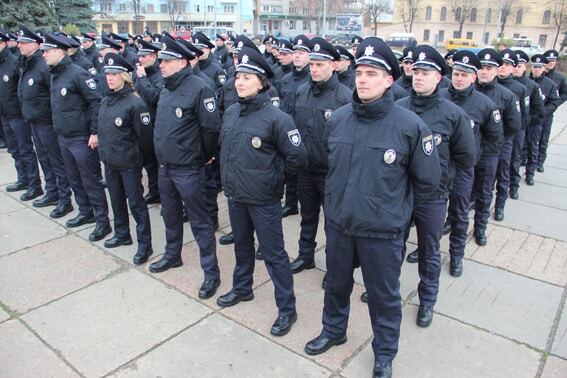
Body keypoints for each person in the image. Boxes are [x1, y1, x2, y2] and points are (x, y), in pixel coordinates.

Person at [304, 37, 441, 378]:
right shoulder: (338, 119)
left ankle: (383, 353)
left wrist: (396, 212)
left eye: (372, 73)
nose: (362, 79)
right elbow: (328, 165)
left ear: (389, 80)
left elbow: (427, 182)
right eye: (360, 72)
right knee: (335, 286)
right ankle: (333, 331)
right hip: (339, 225)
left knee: (383, 298)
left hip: (381, 232)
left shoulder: (410, 126)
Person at [216, 46, 307, 337]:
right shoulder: (231, 112)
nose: (239, 82)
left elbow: (297, 158)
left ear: (262, 82)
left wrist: (273, 179)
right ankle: (243, 289)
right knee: (242, 248)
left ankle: (287, 309)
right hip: (236, 196)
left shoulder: (278, 119)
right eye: (238, 76)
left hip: (264, 200)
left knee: (273, 255)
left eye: (247, 77)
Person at [397, 45, 476, 323]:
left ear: (439, 77)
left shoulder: (453, 115)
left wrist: (445, 179)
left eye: (425, 72)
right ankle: (388, 291)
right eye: (416, 71)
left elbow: (467, 156)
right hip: (400, 193)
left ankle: (427, 299)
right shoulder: (397, 108)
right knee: (394, 246)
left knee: (429, 251)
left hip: (432, 196)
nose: (418, 77)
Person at [149, 35, 221, 300]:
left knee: (201, 223)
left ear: (181, 62)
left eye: (166, 61)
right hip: (166, 167)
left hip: (189, 168)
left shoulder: (200, 87)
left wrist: (205, 156)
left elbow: (211, 129)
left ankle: (211, 273)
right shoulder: (167, 86)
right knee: (170, 215)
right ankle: (172, 255)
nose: (161, 66)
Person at [288, 37, 351, 288]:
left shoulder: (345, 97)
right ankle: (306, 256)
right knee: (308, 216)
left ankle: (333, 268)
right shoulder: (302, 91)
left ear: (333, 65)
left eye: (320, 64)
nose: (314, 68)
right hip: (306, 170)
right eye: (312, 64)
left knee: (334, 224)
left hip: (331, 173)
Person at [42, 32, 111, 241]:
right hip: (63, 136)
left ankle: (102, 222)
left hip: (81, 137)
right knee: (73, 177)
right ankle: (85, 211)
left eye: (47, 51)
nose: (43, 55)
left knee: (90, 179)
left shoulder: (77, 73)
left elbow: (95, 102)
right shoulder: (55, 73)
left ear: (59, 51)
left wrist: (94, 131)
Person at [440, 50, 503, 265]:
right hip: (438, 167)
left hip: (462, 168)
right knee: (430, 215)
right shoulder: (438, 98)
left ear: (473, 77)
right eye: (456, 73)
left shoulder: (485, 105)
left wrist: (474, 160)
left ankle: (457, 254)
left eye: (464, 75)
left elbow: (494, 139)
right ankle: (425, 250)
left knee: (459, 212)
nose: (459, 79)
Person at [97, 53, 154, 264]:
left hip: (129, 163)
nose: (109, 78)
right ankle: (122, 234)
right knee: (116, 200)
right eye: (107, 74)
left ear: (124, 76)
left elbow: (146, 138)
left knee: (137, 205)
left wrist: (138, 159)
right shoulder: (106, 100)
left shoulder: (135, 103)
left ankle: (144, 245)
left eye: (114, 74)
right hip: (111, 162)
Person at [17, 25, 73, 218]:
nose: (19, 46)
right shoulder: (27, 63)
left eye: (23, 43)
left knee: (56, 162)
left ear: (35, 45)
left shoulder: (43, 67)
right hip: (34, 121)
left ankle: (65, 199)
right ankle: (52, 192)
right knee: (44, 160)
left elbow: (54, 96)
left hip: (47, 123)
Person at [474, 48, 521, 243]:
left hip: (490, 152)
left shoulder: (506, 96)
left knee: (485, 192)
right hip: (466, 152)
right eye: (481, 68)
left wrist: (495, 145)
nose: (484, 71)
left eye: (488, 68)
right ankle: (452, 220)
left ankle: (480, 227)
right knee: (459, 193)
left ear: (496, 70)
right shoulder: (468, 91)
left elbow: (513, 126)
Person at [1, 30, 45, 202]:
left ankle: (34, 185)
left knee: (25, 150)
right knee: (14, 150)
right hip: (5, 114)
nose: (19, 46)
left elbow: (23, 91)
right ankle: (23, 179)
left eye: (23, 43)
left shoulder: (14, 63)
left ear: (3, 43)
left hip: (19, 115)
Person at [278, 35, 311, 218]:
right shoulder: (286, 79)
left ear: (308, 56)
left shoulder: (311, 80)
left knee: (303, 173)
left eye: (301, 53)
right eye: (295, 52)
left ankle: (303, 202)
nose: (297, 56)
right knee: (289, 170)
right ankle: (291, 204)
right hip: (287, 129)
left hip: (305, 131)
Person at [495, 49, 529, 216]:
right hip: (488, 140)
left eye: (508, 64)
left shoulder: (519, 89)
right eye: (501, 63)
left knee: (504, 170)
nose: (503, 67)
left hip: (507, 138)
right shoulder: (487, 86)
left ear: (513, 67)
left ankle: (500, 203)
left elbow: (523, 116)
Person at [135, 35, 164, 205]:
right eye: (140, 56)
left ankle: (160, 192)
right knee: (148, 162)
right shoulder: (141, 73)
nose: (141, 59)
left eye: (144, 56)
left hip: (155, 124)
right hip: (142, 124)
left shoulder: (159, 76)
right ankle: (154, 191)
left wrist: (143, 79)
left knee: (156, 162)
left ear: (153, 57)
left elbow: (154, 97)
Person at [513, 50, 544, 187]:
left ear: (525, 67)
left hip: (528, 125)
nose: (516, 69)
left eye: (519, 66)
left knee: (528, 150)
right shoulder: (503, 84)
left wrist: (528, 120)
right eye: (514, 66)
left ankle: (527, 175)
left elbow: (538, 108)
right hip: (511, 127)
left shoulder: (532, 86)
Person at [530, 54, 561, 174]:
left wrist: (544, 112)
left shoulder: (550, 84)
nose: (536, 69)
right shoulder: (526, 82)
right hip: (528, 119)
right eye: (534, 66)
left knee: (538, 143)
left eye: (539, 67)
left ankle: (536, 166)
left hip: (542, 119)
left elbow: (555, 101)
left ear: (544, 68)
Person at [539, 49, 567, 172]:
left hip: (548, 113)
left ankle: (540, 161)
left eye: (554, 61)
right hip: (536, 113)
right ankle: (527, 159)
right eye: (549, 61)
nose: (551, 63)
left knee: (544, 138)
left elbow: (564, 94)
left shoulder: (559, 78)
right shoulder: (538, 73)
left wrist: (554, 105)